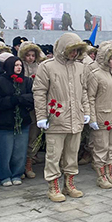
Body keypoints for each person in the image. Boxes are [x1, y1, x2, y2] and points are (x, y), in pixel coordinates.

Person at [33, 33, 90, 202]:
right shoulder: (47, 66)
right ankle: (53, 186)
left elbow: (84, 91)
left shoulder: (80, 67)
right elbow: (39, 92)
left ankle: (70, 183)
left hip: (75, 118)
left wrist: (86, 111)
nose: (74, 54)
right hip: (56, 118)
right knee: (53, 155)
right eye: (72, 50)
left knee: (72, 154)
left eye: (77, 51)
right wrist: (42, 116)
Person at [88, 41, 112, 187]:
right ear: (104, 58)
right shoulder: (96, 75)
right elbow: (90, 97)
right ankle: (100, 176)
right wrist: (92, 118)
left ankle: (109, 173)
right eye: (111, 58)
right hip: (102, 117)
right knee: (101, 147)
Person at [0, 57, 34, 186]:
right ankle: (4, 176)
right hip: (5, 122)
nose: (19, 68)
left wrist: (20, 99)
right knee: (5, 151)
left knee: (20, 151)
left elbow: (32, 98)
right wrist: (12, 100)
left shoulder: (26, 81)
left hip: (22, 121)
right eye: (16, 65)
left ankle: (17, 173)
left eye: (20, 65)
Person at [18, 41, 44, 179]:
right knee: (22, 137)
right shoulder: (18, 67)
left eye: (33, 55)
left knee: (33, 136)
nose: (30, 58)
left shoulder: (40, 68)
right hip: (23, 107)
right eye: (27, 55)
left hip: (36, 107)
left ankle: (29, 163)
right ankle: (19, 165)